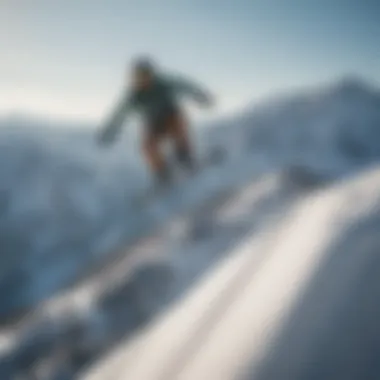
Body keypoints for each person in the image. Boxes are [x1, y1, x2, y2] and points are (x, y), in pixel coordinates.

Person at [97, 57, 214, 188]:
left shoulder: (163, 84)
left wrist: (201, 96)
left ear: (151, 75)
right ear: (135, 78)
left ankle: (184, 157)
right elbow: (119, 114)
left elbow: (184, 86)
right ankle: (162, 172)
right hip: (153, 124)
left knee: (178, 127)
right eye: (140, 77)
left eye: (146, 75)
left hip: (171, 116)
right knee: (147, 146)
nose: (144, 80)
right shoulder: (134, 96)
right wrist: (110, 131)